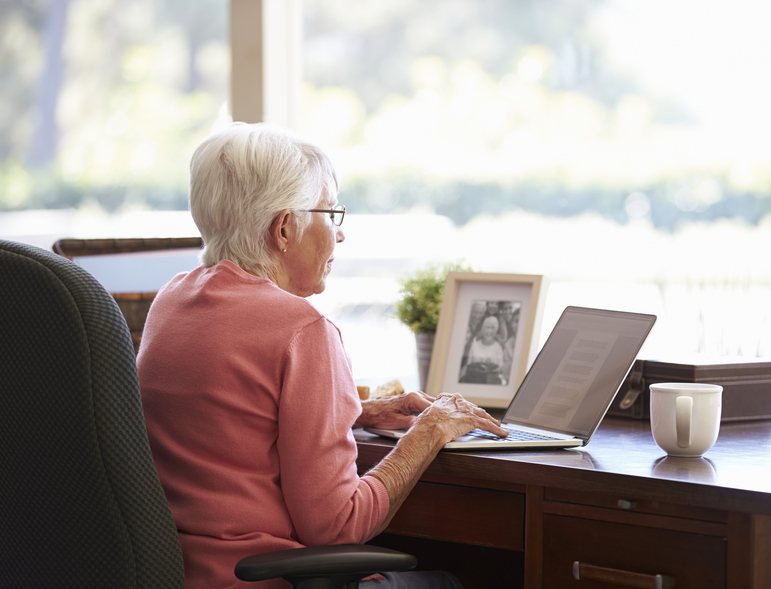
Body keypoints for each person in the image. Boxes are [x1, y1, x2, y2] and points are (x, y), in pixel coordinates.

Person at [136, 122, 508, 589]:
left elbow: (226, 424)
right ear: (285, 227)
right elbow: (337, 526)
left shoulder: (171, 301)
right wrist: (428, 433)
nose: (341, 234)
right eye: (331, 213)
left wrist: (356, 412)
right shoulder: (302, 330)